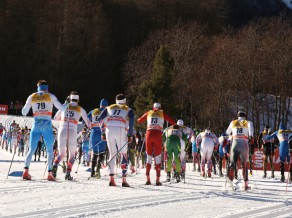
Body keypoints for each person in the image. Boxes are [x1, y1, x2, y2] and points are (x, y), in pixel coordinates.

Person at [22, 80, 63, 181]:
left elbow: (24, 112)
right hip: (47, 125)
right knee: (49, 150)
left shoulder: (32, 96)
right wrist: (65, 105)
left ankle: (25, 171)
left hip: (36, 125)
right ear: (47, 88)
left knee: (31, 149)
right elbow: (61, 108)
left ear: (38, 87)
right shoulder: (51, 96)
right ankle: (49, 173)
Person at [52, 91, 91, 180]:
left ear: (70, 98)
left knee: (61, 154)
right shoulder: (80, 109)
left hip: (62, 129)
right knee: (72, 155)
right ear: (78, 99)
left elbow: (55, 118)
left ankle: (55, 166)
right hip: (73, 131)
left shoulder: (64, 106)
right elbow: (88, 123)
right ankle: (68, 173)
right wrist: (89, 127)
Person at [98, 94, 134, 187]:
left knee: (112, 153)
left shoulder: (109, 107)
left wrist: (102, 132)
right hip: (120, 130)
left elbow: (100, 118)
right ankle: (123, 180)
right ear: (124, 101)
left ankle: (111, 179)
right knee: (123, 153)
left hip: (109, 130)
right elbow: (131, 120)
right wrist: (130, 134)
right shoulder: (127, 108)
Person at [137, 102, 175, 186]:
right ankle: (157, 180)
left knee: (149, 157)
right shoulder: (162, 113)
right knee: (158, 157)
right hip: (158, 134)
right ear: (160, 107)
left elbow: (139, 120)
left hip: (149, 134)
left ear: (153, 108)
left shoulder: (149, 112)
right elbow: (172, 122)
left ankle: (148, 179)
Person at [226, 111, 254, 190]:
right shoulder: (248, 122)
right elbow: (251, 132)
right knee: (244, 165)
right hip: (244, 143)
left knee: (232, 163)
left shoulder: (233, 122)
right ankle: (245, 184)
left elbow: (227, 132)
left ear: (238, 116)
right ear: (245, 116)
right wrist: (251, 137)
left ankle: (230, 182)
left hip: (235, 143)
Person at [87, 99, 108, 178]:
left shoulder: (93, 111)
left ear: (100, 104)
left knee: (95, 153)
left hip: (93, 133)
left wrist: (89, 126)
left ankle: (92, 171)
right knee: (101, 153)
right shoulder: (108, 111)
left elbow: (85, 120)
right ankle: (97, 171)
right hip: (102, 133)